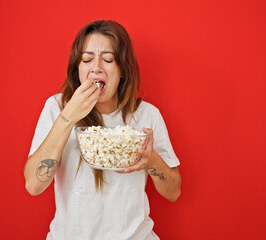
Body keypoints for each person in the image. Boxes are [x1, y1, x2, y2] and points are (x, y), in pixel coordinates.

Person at [24, 20, 181, 240]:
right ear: (77, 68)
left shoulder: (147, 115)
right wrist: (68, 117)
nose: (96, 67)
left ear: (123, 69)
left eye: (108, 59)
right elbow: (33, 185)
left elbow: (173, 192)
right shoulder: (57, 108)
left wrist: (152, 160)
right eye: (87, 59)